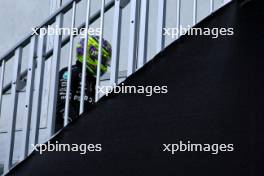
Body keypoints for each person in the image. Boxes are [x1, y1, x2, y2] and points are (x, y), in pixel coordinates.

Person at [56, 35, 112, 130]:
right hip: (64, 134)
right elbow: (63, 105)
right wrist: (76, 128)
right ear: (93, 54)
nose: (106, 64)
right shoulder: (70, 72)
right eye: (104, 59)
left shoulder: (92, 81)